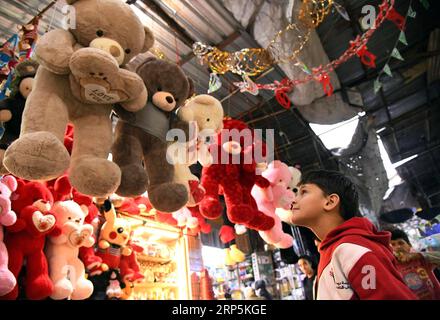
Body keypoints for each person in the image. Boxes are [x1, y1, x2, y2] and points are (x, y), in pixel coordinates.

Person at [289, 170, 416, 300]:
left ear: (330, 202)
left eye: (303, 192)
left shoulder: (351, 249)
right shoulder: (333, 251)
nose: (293, 199)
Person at [388, 228, 440, 300]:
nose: (398, 247)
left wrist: (420, 255)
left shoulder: (419, 258)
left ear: (409, 245)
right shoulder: (390, 267)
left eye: (401, 243)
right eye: (393, 245)